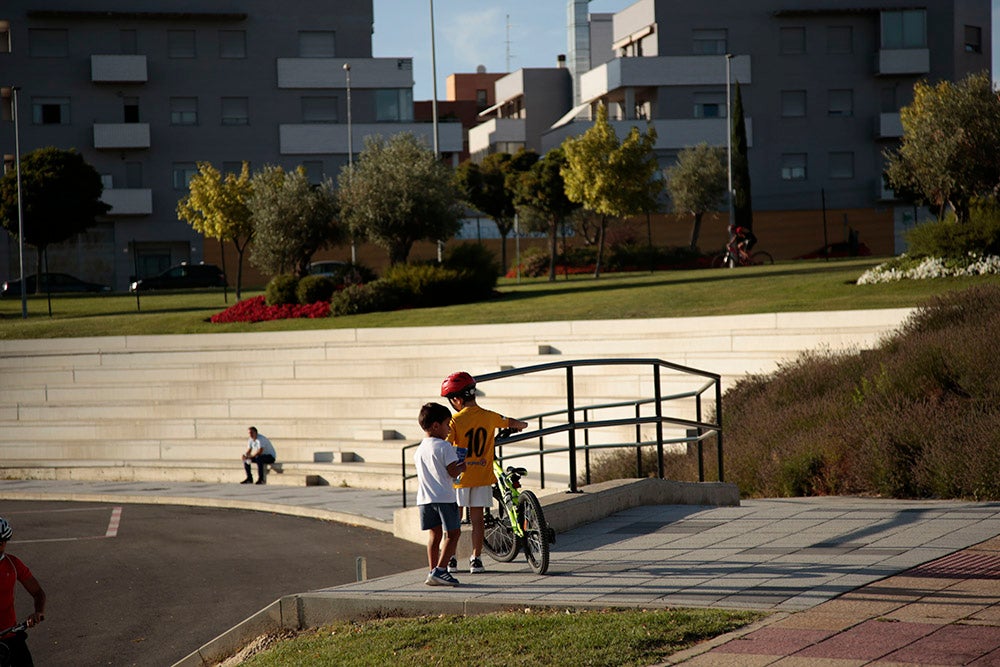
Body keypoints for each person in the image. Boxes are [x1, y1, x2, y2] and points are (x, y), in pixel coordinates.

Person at [441, 371, 527, 574]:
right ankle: (476, 559)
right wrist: (519, 426)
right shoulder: (489, 416)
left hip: (460, 478)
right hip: (482, 476)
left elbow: (445, 443)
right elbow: (515, 423)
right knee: (478, 520)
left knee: (454, 521)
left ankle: (451, 559)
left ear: (456, 399)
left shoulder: (455, 422)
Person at [414, 402, 467, 587]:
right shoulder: (445, 447)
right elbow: (453, 472)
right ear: (436, 426)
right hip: (444, 497)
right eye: (447, 425)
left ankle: (432, 569)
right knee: (453, 533)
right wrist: (463, 466)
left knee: (434, 535)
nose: (448, 429)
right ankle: (441, 571)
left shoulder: (419, 449)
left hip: (425, 498)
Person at [0, 517, 46, 667]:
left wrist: (38, 612)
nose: (0, 545)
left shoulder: (12, 564)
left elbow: (38, 592)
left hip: (10, 634)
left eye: (2, 541)